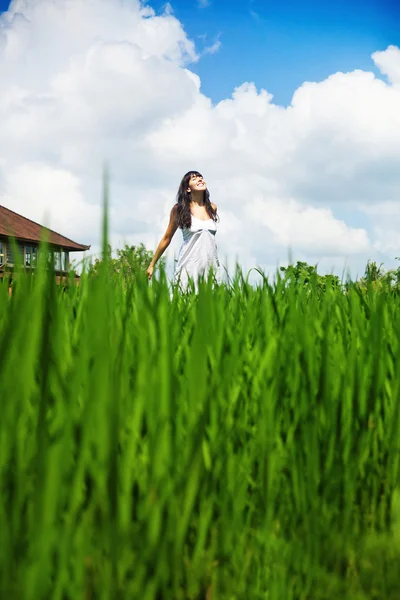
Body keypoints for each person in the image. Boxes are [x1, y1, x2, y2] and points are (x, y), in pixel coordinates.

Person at [146, 171, 221, 291]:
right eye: (194, 179)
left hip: (210, 267)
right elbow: (167, 238)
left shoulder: (212, 208)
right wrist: (152, 264)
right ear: (187, 188)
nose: (200, 179)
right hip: (189, 266)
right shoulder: (179, 209)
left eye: (201, 177)